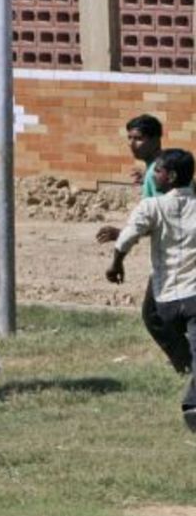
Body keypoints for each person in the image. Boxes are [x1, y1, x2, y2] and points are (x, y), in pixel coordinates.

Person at [106, 150, 196, 431]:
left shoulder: (151, 207)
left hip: (166, 299)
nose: (152, 176)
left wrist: (115, 265)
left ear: (171, 176)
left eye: (157, 171)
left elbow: (126, 239)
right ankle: (192, 404)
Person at [97, 115, 191, 375]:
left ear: (155, 139)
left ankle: (185, 363)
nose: (132, 144)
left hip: (173, 255)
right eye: (129, 138)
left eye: (139, 138)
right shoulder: (159, 168)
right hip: (177, 253)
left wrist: (123, 233)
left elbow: (166, 217)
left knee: (155, 314)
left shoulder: (157, 172)